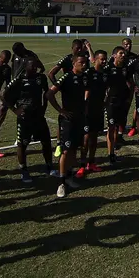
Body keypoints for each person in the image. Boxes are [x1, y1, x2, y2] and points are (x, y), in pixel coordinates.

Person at [4, 57, 54, 182]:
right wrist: (15, 109)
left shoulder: (40, 78)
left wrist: (44, 106)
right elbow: (3, 95)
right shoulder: (18, 80)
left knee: (46, 141)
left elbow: (46, 93)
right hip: (25, 117)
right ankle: (24, 170)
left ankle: (49, 166)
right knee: (23, 144)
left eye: (36, 66)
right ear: (25, 66)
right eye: (32, 66)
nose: (34, 68)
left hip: (39, 115)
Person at [45, 54, 89, 197]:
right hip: (68, 120)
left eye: (85, 62)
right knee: (65, 150)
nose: (84, 65)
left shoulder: (84, 77)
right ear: (74, 64)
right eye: (81, 62)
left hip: (80, 118)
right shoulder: (67, 77)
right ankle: (61, 183)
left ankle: (69, 176)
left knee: (74, 148)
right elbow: (49, 94)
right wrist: (60, 110)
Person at [48, 40, 89, 157]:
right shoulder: (67, 59)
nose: (79, 50)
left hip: (79, 93)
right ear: (72, 48)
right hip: (69, 91)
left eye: (81, 48)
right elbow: (51, 73)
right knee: (65, 118)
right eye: (77, 48)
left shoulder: (84, 59)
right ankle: (59, 144)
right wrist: (60, 87)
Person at [76, 50, 109, 178]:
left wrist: (105, 101)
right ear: (95, 59)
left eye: (105, 59)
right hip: (88, 110)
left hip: (99, 109)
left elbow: (107, 88)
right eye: (102, 59)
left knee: (94, 137)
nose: (104, 61)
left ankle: (91, 162)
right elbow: (85, 91)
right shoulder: (88, 73)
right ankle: (82, 166)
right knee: (85, 139)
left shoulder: (105, 73)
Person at [106, 46, 132, 164]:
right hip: (111, 102)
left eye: (124, 54)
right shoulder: (108, 68)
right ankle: (110, 155)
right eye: (121, 53)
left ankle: (114, 151)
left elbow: (130, 83)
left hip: (122, 102)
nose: (123, 55)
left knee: (117, 126)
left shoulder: (125, 68)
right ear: (114, 55)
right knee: (111, 128)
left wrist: (129, 98)